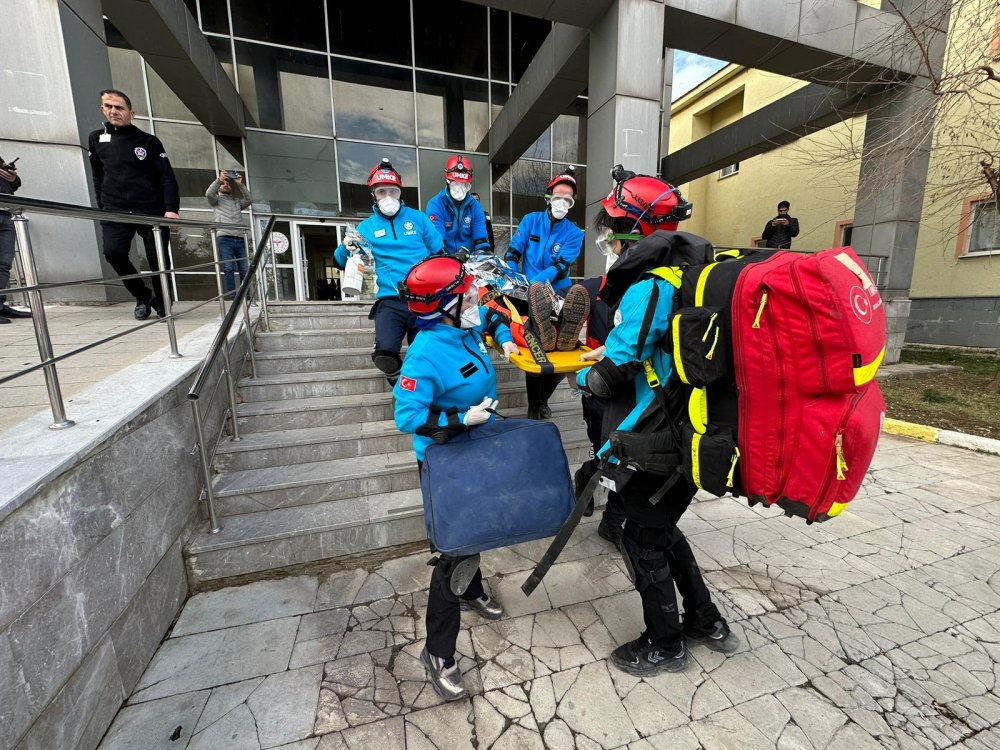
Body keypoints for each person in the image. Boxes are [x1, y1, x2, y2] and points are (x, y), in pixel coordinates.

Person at [576, 166, 737, 676]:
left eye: (613, 225)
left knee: (641, 537)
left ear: (638, 229)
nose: (607, 237)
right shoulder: (693, 273)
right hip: (694, 427)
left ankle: (665, 644)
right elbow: (652, 349)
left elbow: (610, 378)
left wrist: (581, 374)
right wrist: (613, 351)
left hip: (657, 438)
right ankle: (706, 621)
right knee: (661, 528)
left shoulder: (650, 285)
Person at [393, 254, 519, 701]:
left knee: (476, 531)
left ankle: (473, 590)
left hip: (476, 450)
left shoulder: (465, 326)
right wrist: (458, 417)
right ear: (445, 305)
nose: (474, 299)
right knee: (452, 554)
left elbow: (492, 315)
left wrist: (507, 339)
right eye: (466, 295)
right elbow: (406, 416)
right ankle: (438, 652)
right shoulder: (425, 353)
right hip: (445, 462)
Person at [333, 158, 444, 386]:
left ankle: (421, 393)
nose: (388, 197)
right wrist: (346, 246)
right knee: (385, 355)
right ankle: (401, 388)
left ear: (400, 192)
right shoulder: (366, 228)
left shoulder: (418, 219)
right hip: (390, 301)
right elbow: (338, 262)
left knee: (426, 356)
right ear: (373, 195)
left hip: (423, 298)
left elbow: (440, 253)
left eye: (393, 191)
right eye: (382, 191)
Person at [88, 89, 180, 319]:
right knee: (113, 253)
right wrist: (103, 207)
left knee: (157, 258)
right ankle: (142, 295)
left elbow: (167, 177)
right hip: (114, 208)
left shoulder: (148, 142)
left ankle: (163, 301)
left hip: (149, 208)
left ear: (131, 112)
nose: (113, 111)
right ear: (102, 109)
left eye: (119, 107)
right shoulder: (96, 139)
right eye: (108, 106)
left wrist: (171, 209)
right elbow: (98, 176)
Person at [504, 167, 588, 420]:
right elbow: (513, 252)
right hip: (526, 291)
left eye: (568, 199)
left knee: (562, 346)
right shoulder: (530, 220)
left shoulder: (574, 234)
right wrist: (513, 276)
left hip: (558, 290)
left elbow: (561, 266)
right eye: (558, 196)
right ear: (548, 197)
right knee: (536, 345)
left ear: (572, 204)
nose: (562, 202)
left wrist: (537, 283)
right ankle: (535, 405)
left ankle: (541, 400)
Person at [426, 156, 491, 256]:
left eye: (464, 184)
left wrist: (484, 255)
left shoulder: (475, 207)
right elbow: (437, 242)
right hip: (443, 258)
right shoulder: (436, 205)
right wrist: (452, 258)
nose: (460, 188)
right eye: (455, 184)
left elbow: (480, 239)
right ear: (448, 181)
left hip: (469, 259)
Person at [206, 170, 252, 299]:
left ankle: (246, 294)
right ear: (219, 188)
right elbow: (208, 193)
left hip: (240, 238)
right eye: (223, 184)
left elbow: (249, 200)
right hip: (225, 238)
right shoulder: (216, 200)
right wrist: (219, 180)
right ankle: (232, 295)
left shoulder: (237, 201)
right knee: (228, 267)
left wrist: (240, 184)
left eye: (228, 183)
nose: (226, 184)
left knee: (244, 269)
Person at [0, 157, 30, 323]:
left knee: (4, 263)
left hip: (6, 213)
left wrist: (13, 179)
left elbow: (12, 185)